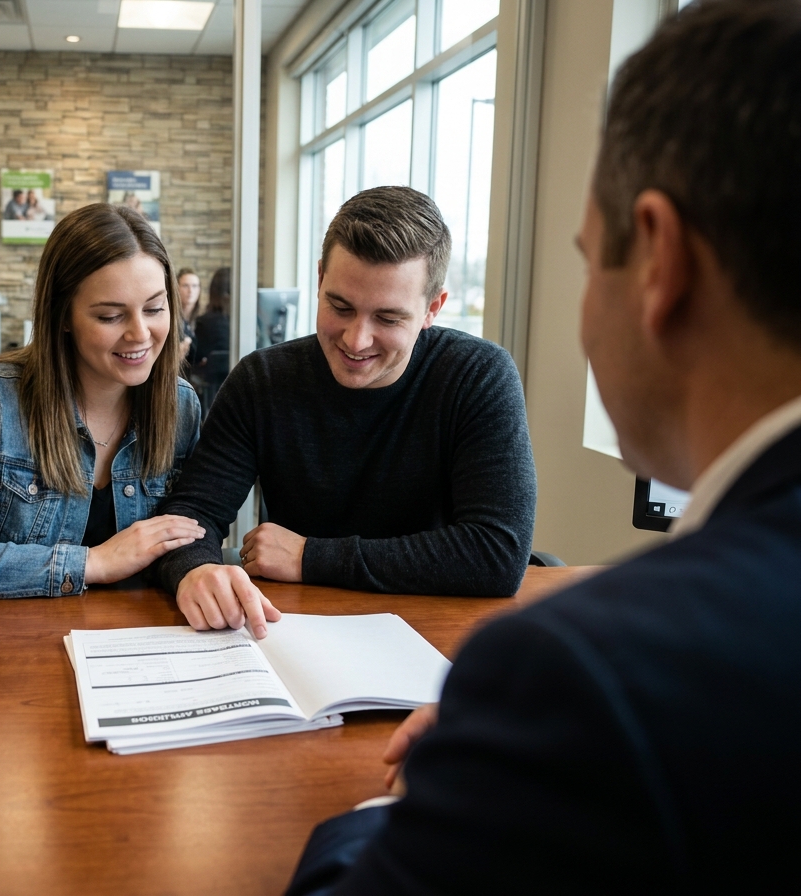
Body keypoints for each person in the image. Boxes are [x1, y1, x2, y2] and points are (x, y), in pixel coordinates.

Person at [284, 2, 801, 892]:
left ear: (659, 261)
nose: (358, 335)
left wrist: (404, 809)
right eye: (340, 306)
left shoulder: (577, 673)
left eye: (588, 256)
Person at [156, 188, 536, 638]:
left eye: (389, 319)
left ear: (432, 308)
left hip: (434, 633)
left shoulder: (478, 376)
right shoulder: (263, 380)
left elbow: (496, 553)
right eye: (340, 307)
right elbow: (190, 516)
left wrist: (309, 557)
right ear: (320, 280)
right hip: (290, 631)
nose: (356, 341)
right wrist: (195, 571)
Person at [0, 203, 204, 598]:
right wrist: (93, 563)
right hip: (19, 641)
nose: (140, 333)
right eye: (110, 316)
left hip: (137, 640)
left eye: (155, 308)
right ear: (62, 316)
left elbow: (194, 534)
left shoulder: (180, 407)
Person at [176, 267, 202, 366]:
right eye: (185, 286)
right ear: (177, 288)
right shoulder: (171, 319)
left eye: (195, 286)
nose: (190, 290)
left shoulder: (202, 320)